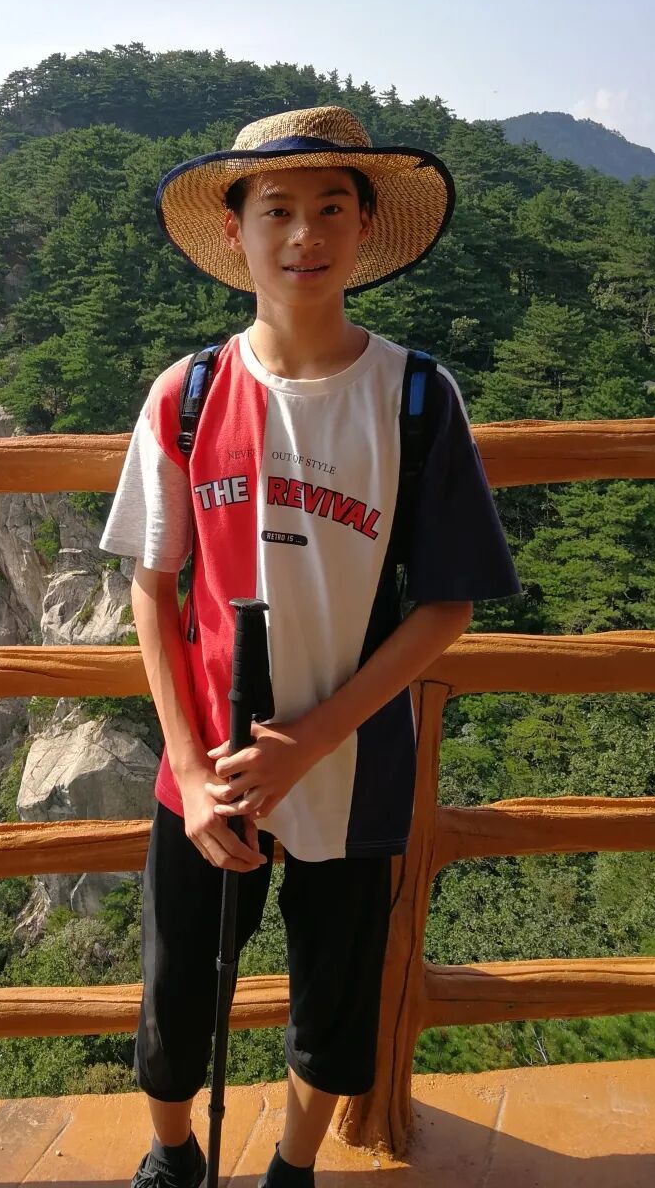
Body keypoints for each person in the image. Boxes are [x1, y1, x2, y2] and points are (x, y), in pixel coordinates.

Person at [98, 106, 521, 1188]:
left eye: (332, 208)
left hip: (352, 761)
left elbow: (448, 605)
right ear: (235, 230)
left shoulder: (415, 397)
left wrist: (311, 740)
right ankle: (173, 1155)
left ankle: (294, 1167)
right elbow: (152, 586)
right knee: (178, 987)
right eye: (277, 209)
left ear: (365, 227)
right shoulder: (187, 395)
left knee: (335, 992)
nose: (304, 234)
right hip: (206, 762)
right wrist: (189, 767)